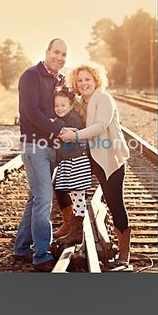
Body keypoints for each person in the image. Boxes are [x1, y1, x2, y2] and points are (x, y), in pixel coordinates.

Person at [60, 65, 131, 268]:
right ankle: (72, 229)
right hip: (88, 157)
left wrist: (74, 135)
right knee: (63, 185)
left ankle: (124, 251)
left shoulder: (104, 99)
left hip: (108, 158)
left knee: (114, 203)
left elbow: (100, 125)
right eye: (80, 80)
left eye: (87, 79)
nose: (83, 83)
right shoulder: (81, 102)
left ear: (96, 80)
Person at [13, 38, 68, 271]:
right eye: (56, 52)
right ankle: (42, 255)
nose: (60, 57)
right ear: (47, 51)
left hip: (51, 147)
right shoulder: (30, 76)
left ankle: (22, 248)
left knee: (35, 198)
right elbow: (31, 112)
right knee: (44, 198)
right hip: (34, 146)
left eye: (64, 54)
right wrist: (59, 129)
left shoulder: (59, 79)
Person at [52, 86, 92, 245]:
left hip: (77, 160)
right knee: (60, 188)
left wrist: (52, 126)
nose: (59, 109)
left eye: (63, 105)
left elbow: (65, 136)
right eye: (56, 106)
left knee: (77, 196)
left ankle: (76, 231)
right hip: (68, 160)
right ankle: (69, 225)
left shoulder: (73, 118)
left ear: (70, 105)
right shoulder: (64, 119)